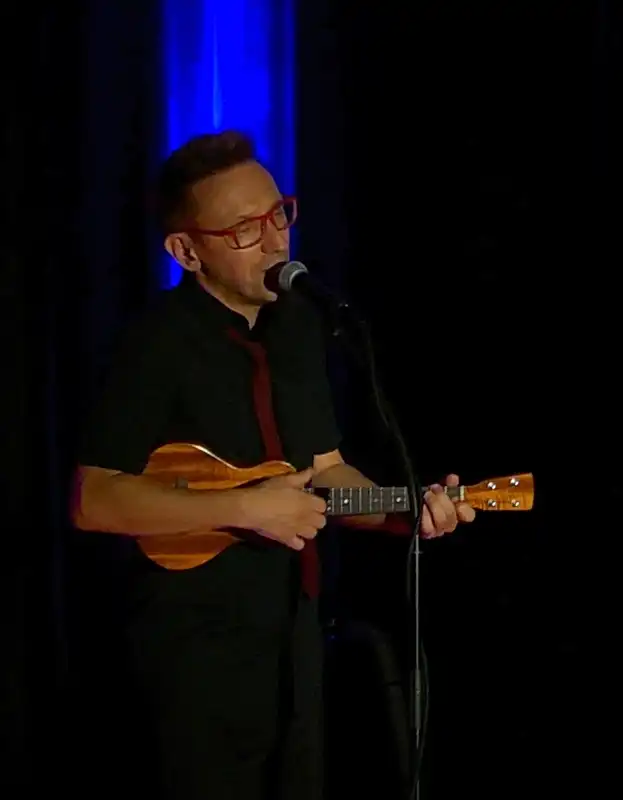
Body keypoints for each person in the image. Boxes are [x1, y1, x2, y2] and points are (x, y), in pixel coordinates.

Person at [68, 130, 474, 800]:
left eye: (278, 214)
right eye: (243, 229)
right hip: (191, 655)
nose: (275, 241)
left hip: (294, 639)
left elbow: (328, 474)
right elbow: (94, 497)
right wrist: (243, 506)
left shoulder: (298, 328)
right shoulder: (155, 344)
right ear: (186, 251)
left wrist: (411, 507)